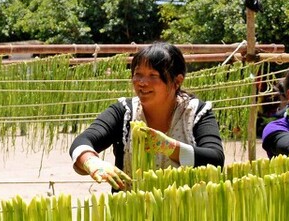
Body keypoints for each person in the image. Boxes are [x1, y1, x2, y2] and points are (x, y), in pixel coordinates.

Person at [70, 41, 225, 190]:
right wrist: (91, 161)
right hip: (130, 210)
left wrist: (169, 147)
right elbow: (83, 141)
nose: (142, 82)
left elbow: (215, 159)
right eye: (138, 74)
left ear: (177, 81)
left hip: (185, 214)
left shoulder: (197, 112)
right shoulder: (124, 111)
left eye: (153, 75)